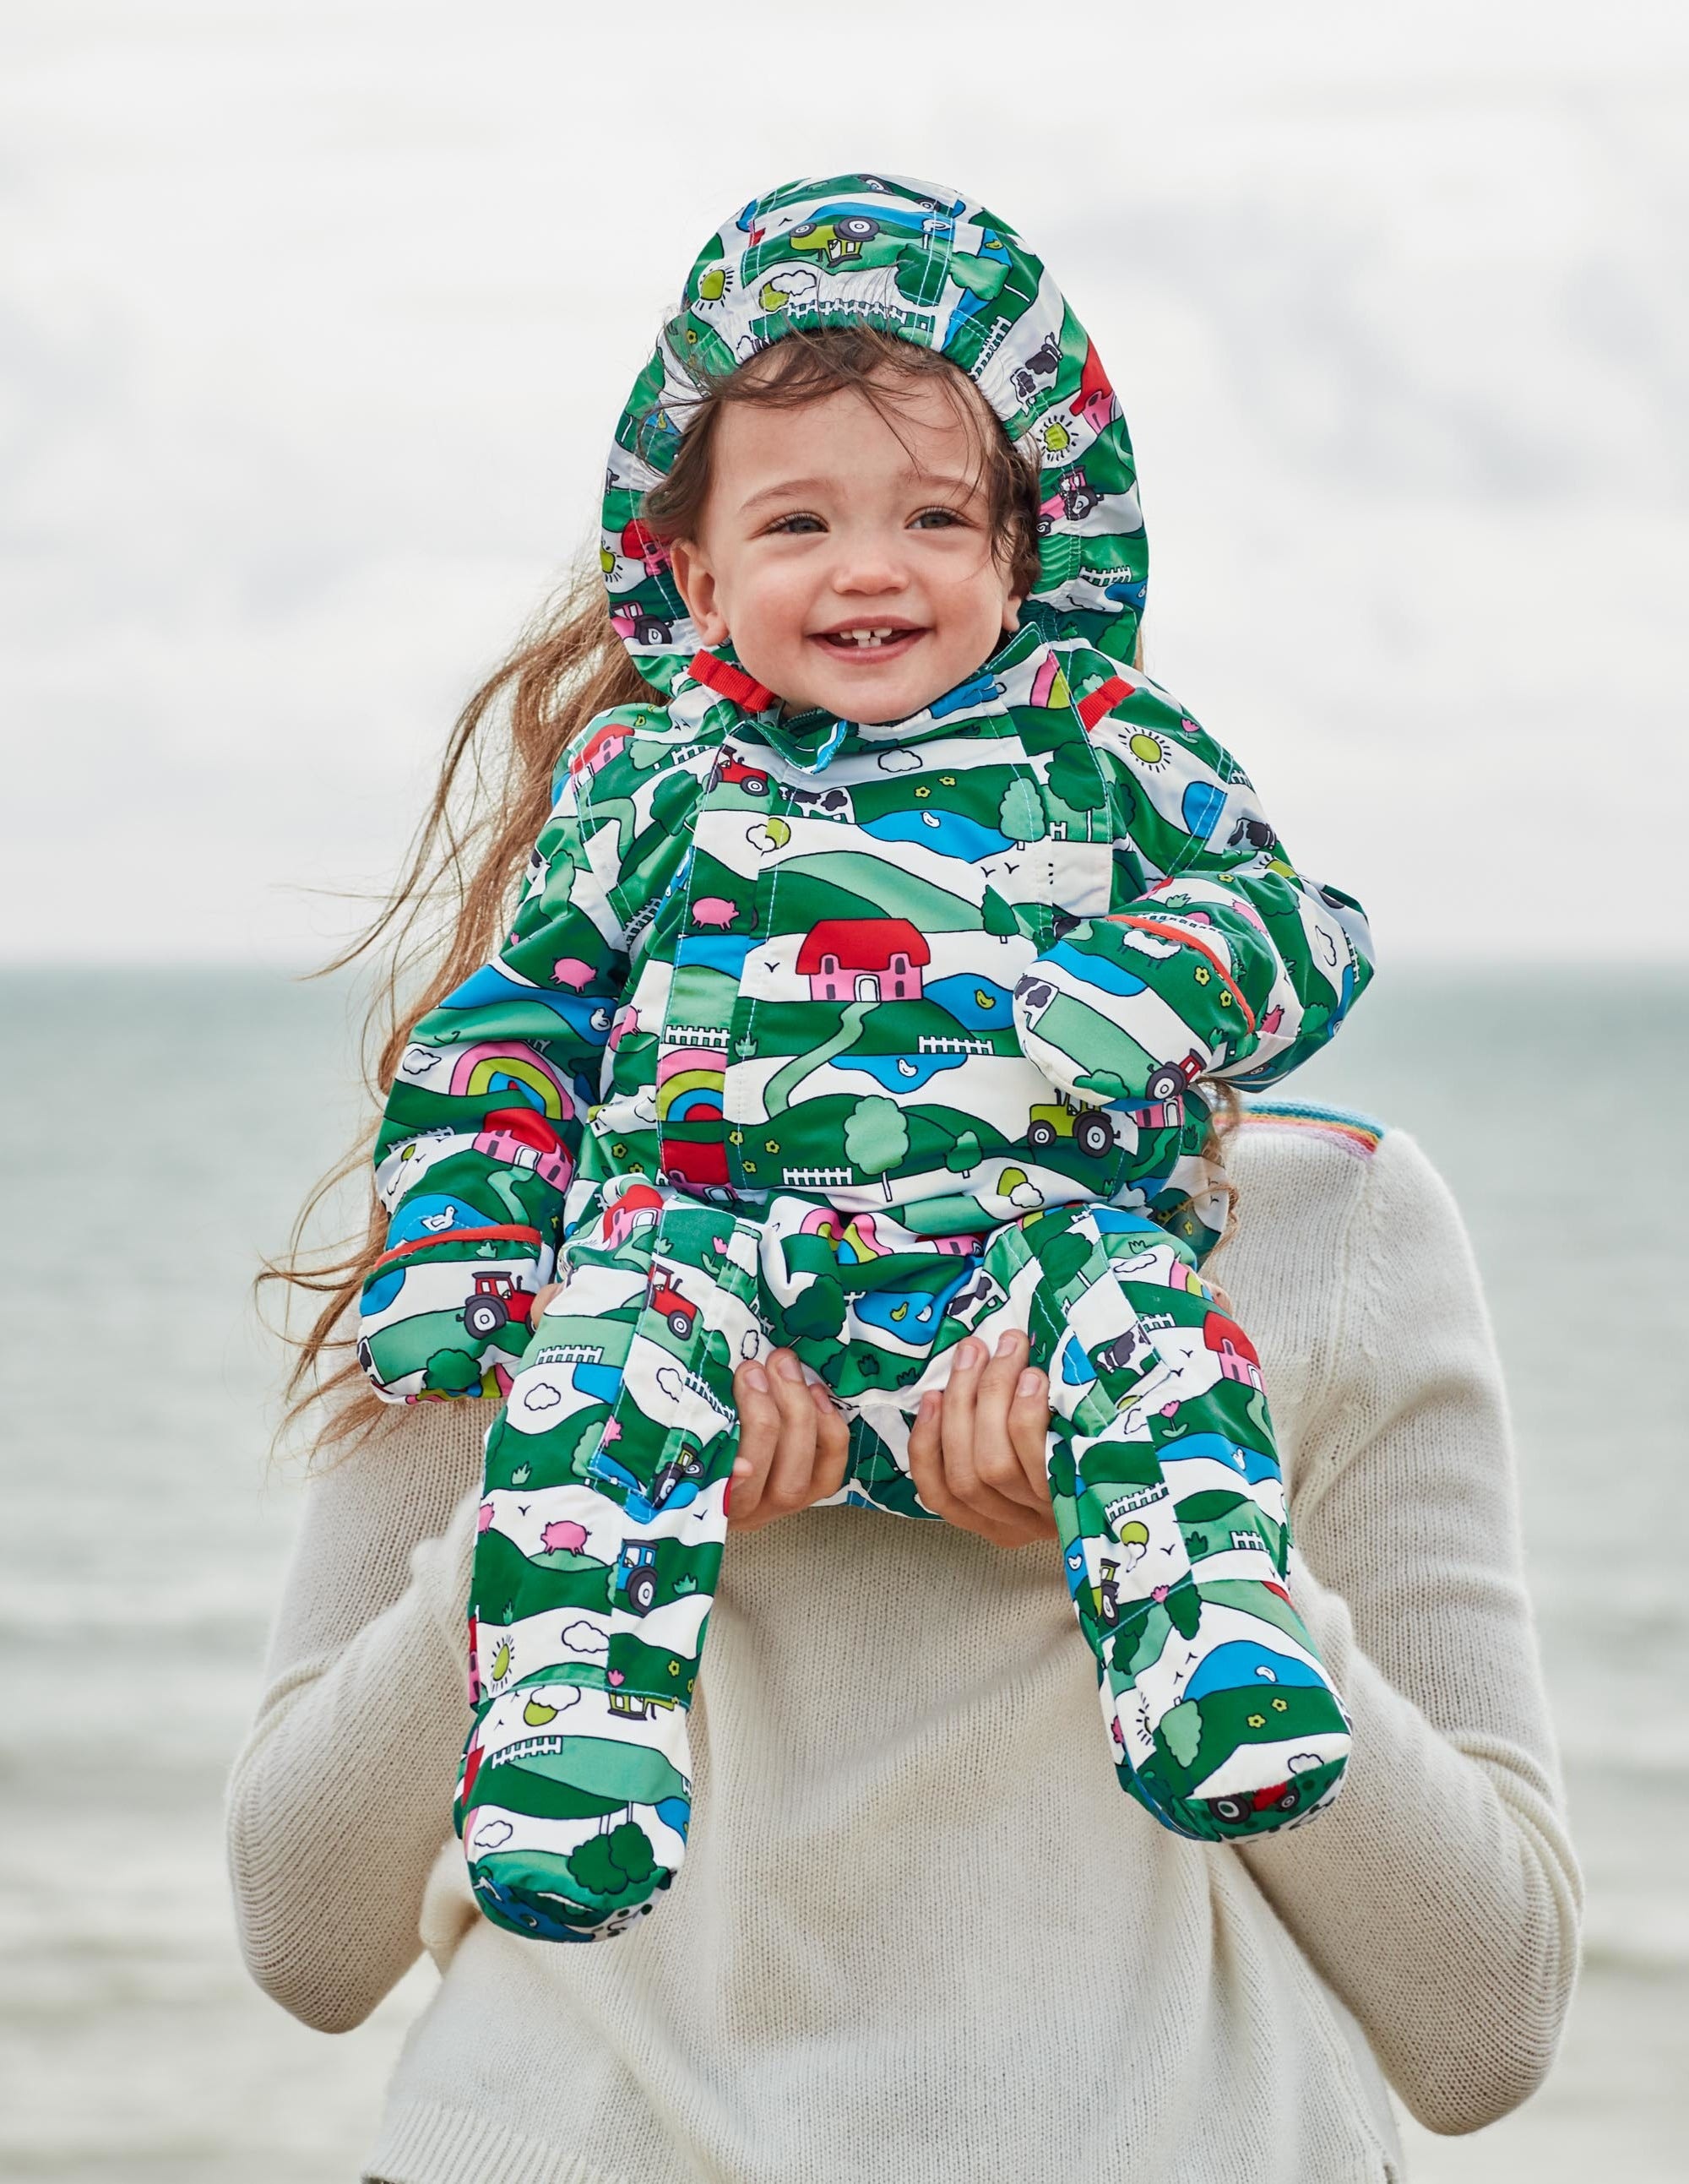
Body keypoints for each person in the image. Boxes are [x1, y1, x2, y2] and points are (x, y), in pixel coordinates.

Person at [346, 173, 1377, 1938]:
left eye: (930, 519)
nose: (871, 569)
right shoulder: (646, 783)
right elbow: (513, 1023)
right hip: (712, 1267)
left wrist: (1145, 983)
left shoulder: (1101, 744)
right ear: (694, 568)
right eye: (802, 523)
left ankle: (1209, 1651)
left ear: (1017, 551)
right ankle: (567, 1743)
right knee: (594, 1378)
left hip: (1018, 1264)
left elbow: (1301, 921)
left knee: (1157, 1342)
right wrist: (463, 1242)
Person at [229, 1100, 1581, 2181]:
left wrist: (1160, 1537)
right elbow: (309, 1935)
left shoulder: (1320, 1208)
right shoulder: (504, 1199)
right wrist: (576, 1489)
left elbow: (1483, 2023)